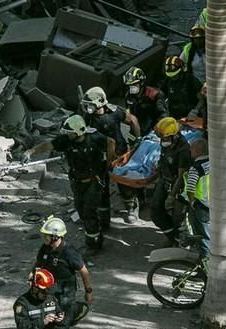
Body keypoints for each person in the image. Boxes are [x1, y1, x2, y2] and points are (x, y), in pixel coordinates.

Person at [25, 115, 115, 256]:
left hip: (93, 180)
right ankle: (99, 228)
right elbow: (48, 145)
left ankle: (94, 244)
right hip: (77, 181)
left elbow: (111, 142)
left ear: (79, 131)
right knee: (80, 208)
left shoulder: (95, 138)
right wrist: (30, 152)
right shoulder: (67, 141)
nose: (67, 135)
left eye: (70, 132)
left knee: (88, 211)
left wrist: (110, 162)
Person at [30, 216, 93, 329]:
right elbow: (38, 264)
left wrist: (88, 291)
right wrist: (33, 276)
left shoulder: (69, 252)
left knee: (62, 323)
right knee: (50, 317)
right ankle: (76, 311)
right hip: (49, 291)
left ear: (55, 237)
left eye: (46, 235)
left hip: (66, 293)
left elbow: (84, 271)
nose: (44, 238)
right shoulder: (45, 249)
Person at [80, 86, 142, 224]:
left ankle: (131, 208)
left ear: (100, 102)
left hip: (118, 154)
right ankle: (104, 216)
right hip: (98, 156)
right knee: (101, 186)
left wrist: (137, 140)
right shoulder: (87, 117)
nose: (87, 108)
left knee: (124, 182)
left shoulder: (115, 112)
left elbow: (133, 121)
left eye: (90, 104)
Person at [151, 117, 192, 246]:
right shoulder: (166, 141)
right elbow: (164, 158)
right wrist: (158, 168)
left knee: (178, 219)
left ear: (174, 136)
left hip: (177, 186)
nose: (163, 141)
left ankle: (181, 241)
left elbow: (181, 176)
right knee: (156, 211)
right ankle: (172, 237)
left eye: (165, 138)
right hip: (165, 179)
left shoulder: (183, 150)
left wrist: (171, 196)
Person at [185, 137, 210, 258]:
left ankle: (206, 263)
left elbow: (190, 188)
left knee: (203, 236)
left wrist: (191, 201)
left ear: (198, 151)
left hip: (202, 205)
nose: (190, 151)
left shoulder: (196, 167)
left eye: (191, 149)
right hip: (215, 204)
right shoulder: (213, 162)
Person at [123, 66, 169, 134]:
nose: (131, 87)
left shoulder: (155, 94)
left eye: (134, 84)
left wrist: (156, 129)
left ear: (141, 82)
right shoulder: (128, 96)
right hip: (137, 128)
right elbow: (129, 113)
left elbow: (164, 114)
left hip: (155, 128)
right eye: (129, 85)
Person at [160, 55, 202, 120]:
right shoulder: (168, 80)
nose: (172, 78)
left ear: (181, 71)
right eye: (171, 76)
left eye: (175, 76)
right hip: (175, 116)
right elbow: (161, 95)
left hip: (191, 116)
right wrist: (163, 109)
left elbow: (202, 97)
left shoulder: (190, 79)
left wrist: (195, 111)